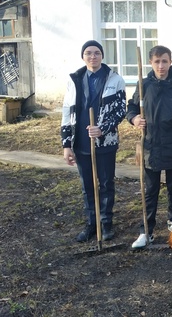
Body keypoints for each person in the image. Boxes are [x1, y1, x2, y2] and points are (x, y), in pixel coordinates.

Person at [126, 46, 172, 249]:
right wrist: (134, 118)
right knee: (151, 189)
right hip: (150, 145)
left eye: (164, 61)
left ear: (170, 62)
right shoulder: (144, 85)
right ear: (151, 63)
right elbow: (132, 107)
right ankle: (146, 229)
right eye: (157, 62)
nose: (161, 66)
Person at [61, 40, 126, 242]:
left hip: (105, 143)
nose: (93, 56)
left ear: (102, 56)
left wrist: (102, 129)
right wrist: (66, 145)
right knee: (87, 185)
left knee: (106, 183)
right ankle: (92, 223)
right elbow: (66, 112)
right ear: (83, 56)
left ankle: (106, 224)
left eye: (97, 53)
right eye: (88, 53)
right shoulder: (75, 80)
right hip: (81, 140)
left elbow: (120, 111)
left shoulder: (114, 79)